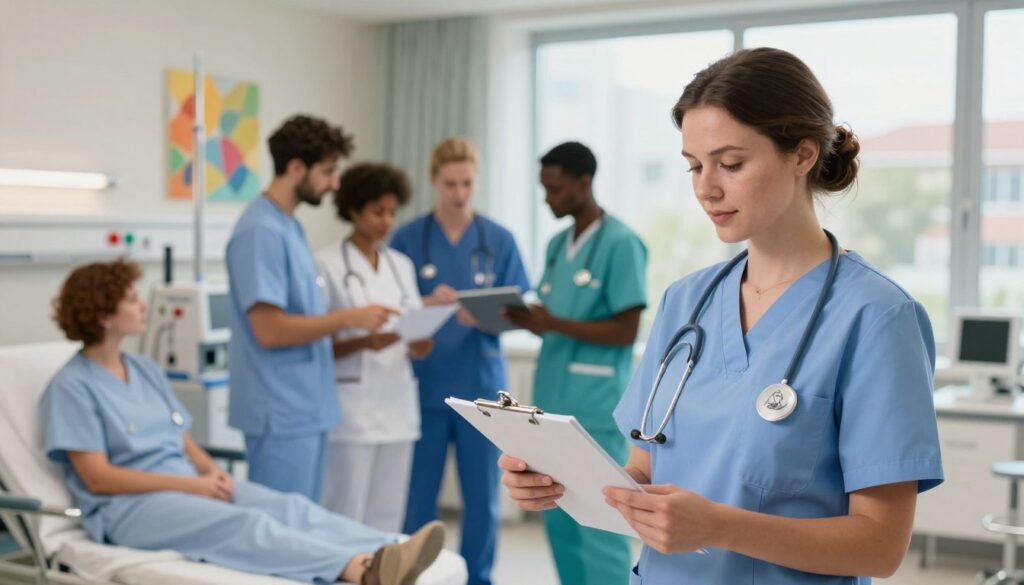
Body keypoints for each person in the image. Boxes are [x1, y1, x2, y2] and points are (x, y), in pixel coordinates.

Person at [500, 48, 944, 584]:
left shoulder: (877, 317)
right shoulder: (687, 302)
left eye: (731, 163)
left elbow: (879, 546)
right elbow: (644, 469)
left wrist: (718, 527)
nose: (706, 187)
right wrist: (563, 481)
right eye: (694, 165)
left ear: (802, 155)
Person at [39, 259, 444, 585]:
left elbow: (181, 438)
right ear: (103, 315)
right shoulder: (71, 387)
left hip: (184, 485)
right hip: (127, 509)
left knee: (287, 506)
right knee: (244, 524)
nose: (143, 304)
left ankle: (390, 547)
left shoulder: (142, 369)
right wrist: (193, 485)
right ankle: (361, 568)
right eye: (130, 299)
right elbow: (98, 479)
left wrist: (215, 476)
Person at [226, 115, 396, 501]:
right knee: (280, 531)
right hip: (280, 409)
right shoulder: (261, 231)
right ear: (295, 167)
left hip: (306, 405)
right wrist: (349, 318)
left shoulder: (289, 226)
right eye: (328, 172)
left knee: (304, 523)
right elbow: (269, 330)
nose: (335, 183)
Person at [504, 141, 647, 585]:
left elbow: (627, 329)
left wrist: (556, 323)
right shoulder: (555, 244)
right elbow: (552, 316)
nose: (548, 198)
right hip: (552, 397)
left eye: (555, 188)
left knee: (600, 517)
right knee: (559, 512)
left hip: (595, 400)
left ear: (584, 183)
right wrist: (525, 320)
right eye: (544, 189)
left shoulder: (622, 243)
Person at [392, 136, 530, 585]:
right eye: (449, 183)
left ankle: (478, 579)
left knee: (483, 500)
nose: (458, 193)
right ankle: (415, 576)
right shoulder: (409, 239)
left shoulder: (499, 240)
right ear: (434, 181)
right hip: (426, 385)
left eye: (467, 183)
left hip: (481, 389)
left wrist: (486, 314)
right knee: (418, 499)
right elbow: (392, 309)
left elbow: (520, 311)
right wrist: (425, 306)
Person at [316, 162, 433, 532]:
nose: (386, 221)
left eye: (392, 212)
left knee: (388, 515)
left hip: (398, 404)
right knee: (345, 512)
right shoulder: (327, 264)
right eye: (377, 212)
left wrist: (420, 338)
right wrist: (368, 340)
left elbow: (420, 346)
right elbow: (319, 345)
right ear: (353, 210)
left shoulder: (401, 265)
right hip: (354, 409)